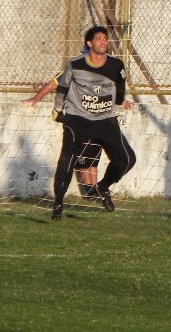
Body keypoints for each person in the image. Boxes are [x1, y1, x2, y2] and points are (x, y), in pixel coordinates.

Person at [51, 26, 136, 220]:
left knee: (127, 159)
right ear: (89, 44)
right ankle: (58, 203)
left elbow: (121, 87)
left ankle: (103, 186)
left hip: (105, 119)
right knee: (67, 160)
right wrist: (57, 110)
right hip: (77, 119)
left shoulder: (116, 65)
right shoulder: (75, 64)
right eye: (98, 38)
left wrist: (117, 105)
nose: (103, 41)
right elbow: (62, 86)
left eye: (105, 38)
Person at [24, 49, 100, 198]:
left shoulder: (100, 72)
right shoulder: (74, 69)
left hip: (96, 118)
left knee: (94, 157)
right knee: (82, 157)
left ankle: (95, 190)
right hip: (79, 118)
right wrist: (36, 98)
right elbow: (54, 83)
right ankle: (90, 192)